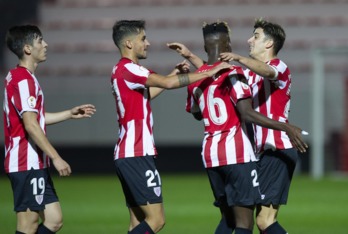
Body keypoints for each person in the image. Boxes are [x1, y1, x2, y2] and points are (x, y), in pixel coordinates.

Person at [168, 18, 306, 234]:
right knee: (240, 217)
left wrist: (238, 58)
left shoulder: (279, 66)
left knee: (263, 221)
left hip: (275, 148)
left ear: (269, 44)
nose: (250, 40)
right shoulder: (248, 74)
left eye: (256, 36)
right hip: (254, 152)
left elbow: (267, 72)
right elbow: (215, 72)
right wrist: (191, 57)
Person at [110, 20, 232, 234]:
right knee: (156, 220)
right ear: (129, 43)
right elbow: (166, 84)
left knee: (138, 223)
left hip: (127, 153)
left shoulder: (122, 70)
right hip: (136, 153)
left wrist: (173, 74)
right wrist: (206, 73)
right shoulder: (129, 68)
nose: (147, 44)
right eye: (143, 39)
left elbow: (147, 96)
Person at [3, 25, 96, 234]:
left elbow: (35, 119)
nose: (45, 45)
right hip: (25, 162)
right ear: (27, 48)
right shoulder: (24, 80)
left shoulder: (22, 77)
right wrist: (55, 157)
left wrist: (69, 114)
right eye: (40, 41)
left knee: (54, 220)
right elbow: (30, 124)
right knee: (28, 226)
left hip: (32, 162)